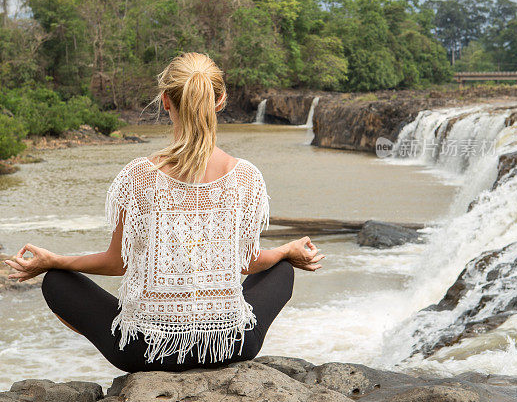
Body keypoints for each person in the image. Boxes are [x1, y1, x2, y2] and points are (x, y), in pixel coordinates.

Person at [5, 52, 324, 373]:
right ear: (220, 100)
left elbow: (117, 263)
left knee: (56, 282)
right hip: (233, 345)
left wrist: (53, 261)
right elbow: (250, 263)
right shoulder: (246, 176)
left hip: (144, 351)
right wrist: (287, 250)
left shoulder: (139, 176)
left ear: (166, 101)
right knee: (282, 269)